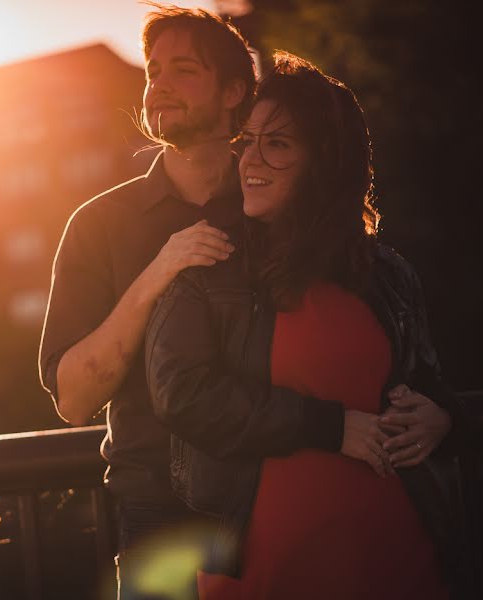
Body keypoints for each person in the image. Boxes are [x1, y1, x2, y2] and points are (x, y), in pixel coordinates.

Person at [145, 52, 473, 599]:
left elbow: (428, 380)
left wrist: (444, 417)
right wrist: (329, 427)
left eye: (277, 144)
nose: (250, 159)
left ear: (325, 161)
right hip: (266, 566)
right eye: (247, 140)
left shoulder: (387, 272)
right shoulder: (209, 265)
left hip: (395, 555)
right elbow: (182, 394)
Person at [38, 5, 255, 597]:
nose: (158, 83)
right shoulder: (97, 225)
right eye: (153, 70)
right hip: (157, 515)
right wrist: (159, 270)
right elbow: (75, 398)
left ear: (234, 91)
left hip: (281, 500)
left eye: (183, 70)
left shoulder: (277, 209)